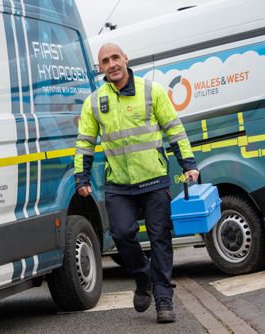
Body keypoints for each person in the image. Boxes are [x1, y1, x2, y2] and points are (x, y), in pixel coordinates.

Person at [74, 43, 199, 323]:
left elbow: (174, 129)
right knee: (119, 234)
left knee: (160, 239)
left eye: (115, 57)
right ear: (101, 68)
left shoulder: (150, 91)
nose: (111, 64)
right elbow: (85, 143)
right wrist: (81, 177)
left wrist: (188, 165)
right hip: (119, 185)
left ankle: (164, 300)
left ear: (125, 59)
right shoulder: (94, 102)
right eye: (105, 61)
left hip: (154, 180)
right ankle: (144, 280)